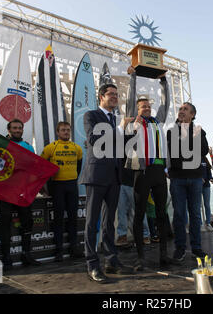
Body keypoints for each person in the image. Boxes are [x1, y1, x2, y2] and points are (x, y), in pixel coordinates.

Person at [80, 83, 134, 283]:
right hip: (96, 175)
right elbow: (95, 139)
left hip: (114, 176)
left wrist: (132, 132)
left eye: (116, 94)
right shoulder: (91, 116)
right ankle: (92, 265)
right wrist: (120, 128)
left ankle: (112, 260)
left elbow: (123, 146)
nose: (115, 97)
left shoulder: (116, 119)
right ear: (101, 97)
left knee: (109, 222)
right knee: (91, 222)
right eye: (111, 94)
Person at [124, 66, 174, 270]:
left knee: (162, 214)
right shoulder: (133, 122)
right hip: (141, 173)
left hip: (159, 173)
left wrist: (163, 82)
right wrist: (133, 77)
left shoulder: (157, 121)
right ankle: (140, 257)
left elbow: (166, 103)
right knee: (140, 213)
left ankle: (163, 254)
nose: (145, 108)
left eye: (147, 106)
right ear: (137, 109)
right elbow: (130, 100)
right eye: (142, 106)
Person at [167, 102, 209, 262]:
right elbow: (174, 151)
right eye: (180, 109)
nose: (181, 111)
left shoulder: (199, 131)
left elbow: (204, 150)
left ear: (192, 114)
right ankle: (180, 248)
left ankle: (196, 247)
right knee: (179, 214)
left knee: (195, 214)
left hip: (196, 177)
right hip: (178, 178)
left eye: (185, 109)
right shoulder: (172, 131)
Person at [0, 119, 41, 270]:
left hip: (22, 191)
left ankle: (26, 254)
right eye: (14, 128)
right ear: (8, 130)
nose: (17, 130)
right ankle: (6, 257)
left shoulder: (28, 147)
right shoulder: (1, 145)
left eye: (19, 128)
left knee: (27, 221)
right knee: (6, 221)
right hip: (5, 190)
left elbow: (33, 169)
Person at [41, 121, 83, 262]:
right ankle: (58, 251)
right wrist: (45, 188)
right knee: (58, 219)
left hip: (72, 186)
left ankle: (73, 248)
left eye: (68, 130)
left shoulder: (77, 148)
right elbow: (41, 167)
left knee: (73, 218)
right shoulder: (49, 148)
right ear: (57, 132)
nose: (66, 132)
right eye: (63, 130)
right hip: (57, 186)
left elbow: (79, 167)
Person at [115, 158, 151, 248]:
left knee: (139, 209)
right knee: (121, 211)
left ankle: (145, 235)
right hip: (121, 181)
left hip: (134, 182)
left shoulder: (138, 145)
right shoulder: (118, 145)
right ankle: (122, 235)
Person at [202, 157, 213, 232]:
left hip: (206, 185)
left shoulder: (205, 160)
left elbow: (209, 171)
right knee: (197, 205)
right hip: (197, 185)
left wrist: (211, 178)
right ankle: (200, 223)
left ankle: (208, 223)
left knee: (207, 204)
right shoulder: (195, 158)